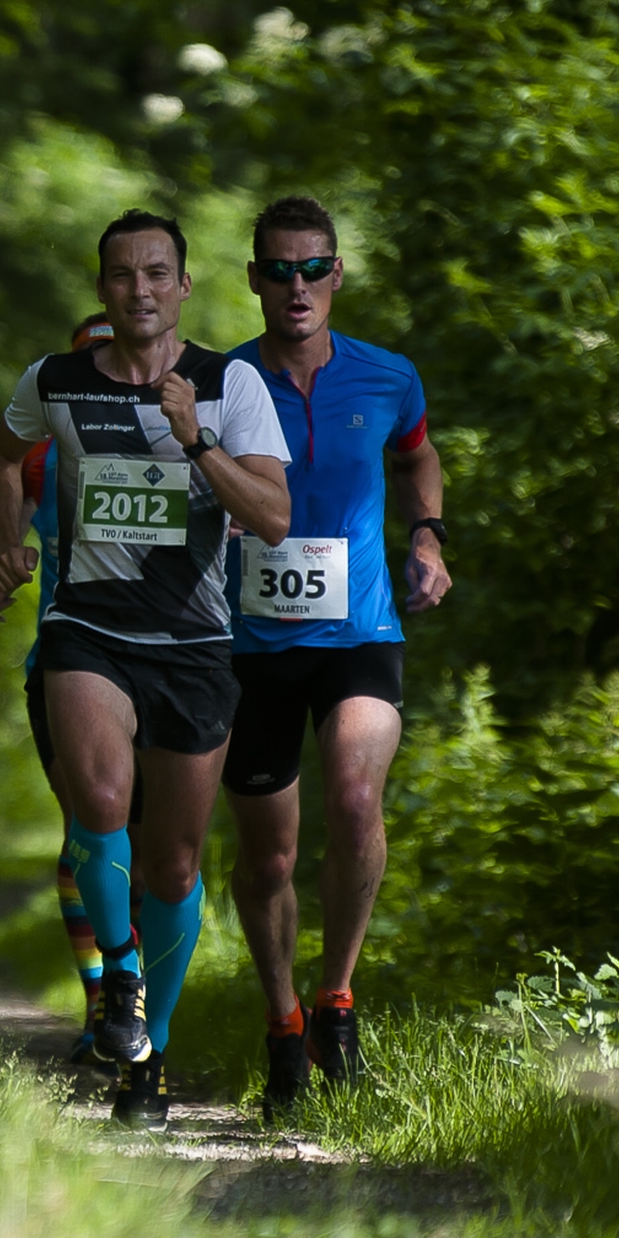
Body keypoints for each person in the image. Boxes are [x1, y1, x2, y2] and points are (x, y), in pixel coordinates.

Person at [0, 210, 292, 1130]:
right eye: (122, 275)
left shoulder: (230, 384)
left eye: (157, 273)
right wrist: (7, 546)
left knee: (175, 864)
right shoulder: (57, 380)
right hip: (88, 629)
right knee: (102, 805)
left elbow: (272, 518)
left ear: (184, 286)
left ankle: (147, 1057)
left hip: (193, 646)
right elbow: (0, 456)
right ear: (103, 289)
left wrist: (197, 439)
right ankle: (120, 977)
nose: (140, 290)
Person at [221, 196, 449, 1117]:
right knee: (268, 857)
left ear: (337, 274)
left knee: (356, 800)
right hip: (250, 644)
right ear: (254, 279)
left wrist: (427, 538)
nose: (298, 285)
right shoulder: (222, 381)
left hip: (360, 632)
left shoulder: (388, 375)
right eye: (279, 269)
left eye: (313, 267)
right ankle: (282, 1023)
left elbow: (418, 458)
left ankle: (336, 1004)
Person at [0, 315, 118, 1059]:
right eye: (89, 359)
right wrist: (5, 560)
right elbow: (8, 489)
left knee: (149, 845)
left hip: (168, 662)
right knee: (85, 830)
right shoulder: (45, 454)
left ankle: (137, 993)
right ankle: (102, 998)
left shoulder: (184, 434)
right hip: (64, 660)